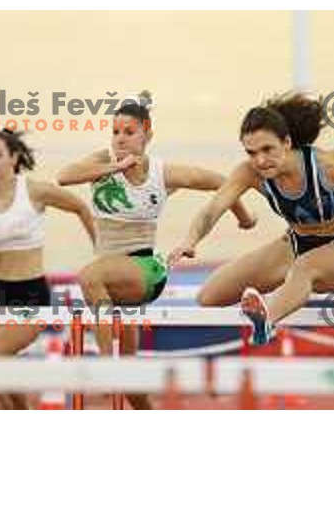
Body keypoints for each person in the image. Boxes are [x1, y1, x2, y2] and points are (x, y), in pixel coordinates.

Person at [57, 92, 256, 409]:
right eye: (116, 132)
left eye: (129, 132)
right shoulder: (100, 161)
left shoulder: (161, 173)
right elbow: (63, 176)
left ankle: (108, 368)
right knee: (131, 376)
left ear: (147, 135)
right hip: (113, 282)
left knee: (88, 277)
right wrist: (113, 167)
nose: (120, 138)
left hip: (145, 269)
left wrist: (243, 215)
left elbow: (220, 181)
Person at [168, 92, 334, 345]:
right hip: (296, 245)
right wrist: (190, 240)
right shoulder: (250, 173)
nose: (260, 160)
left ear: (286, 143)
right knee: (209, 295)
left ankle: (267, 322)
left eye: (267, 149)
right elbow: (213, 209)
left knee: (304, 268)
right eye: (251, 152)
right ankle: (287, 293)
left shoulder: (328, 164)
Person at [0, 128, 95, 410]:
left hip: (30, 291)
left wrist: (100, 250)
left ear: (14, 158)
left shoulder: (34, 190)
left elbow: (81, 207)